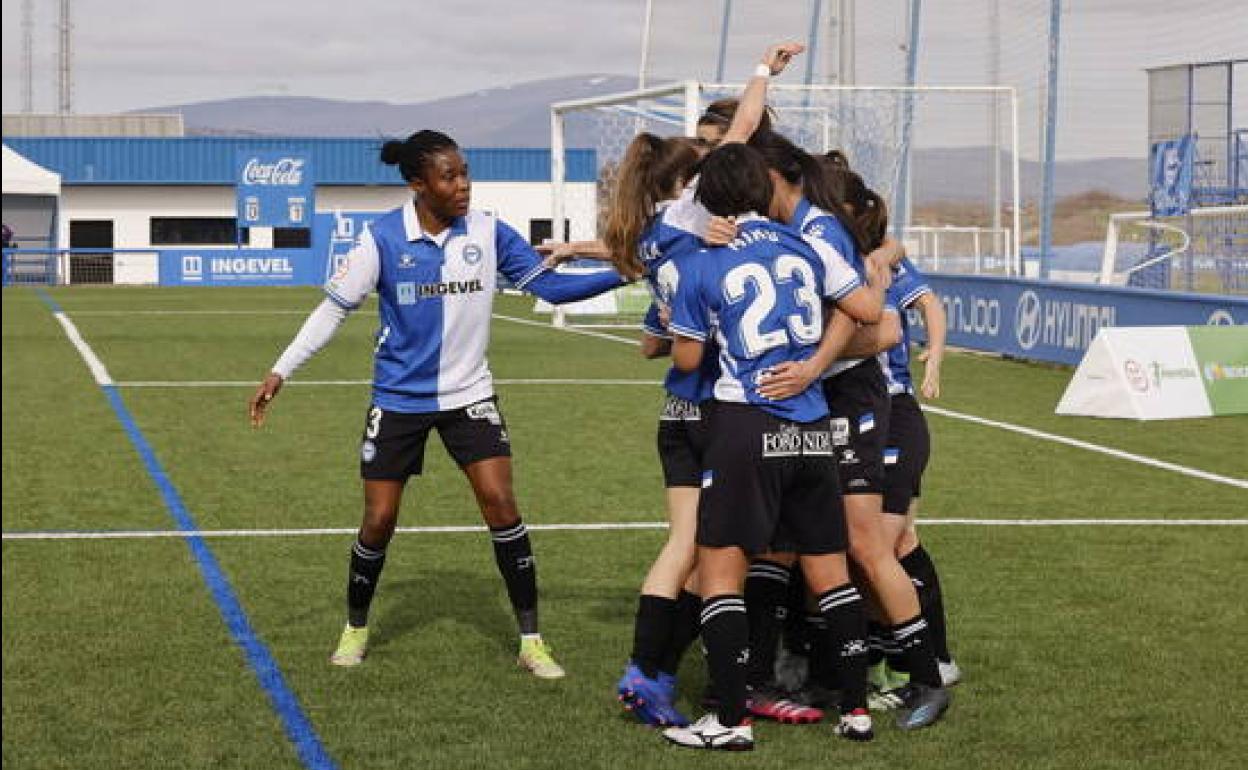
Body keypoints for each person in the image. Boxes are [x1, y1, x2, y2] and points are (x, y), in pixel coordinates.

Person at [248, 129, 627, 679]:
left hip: (469, 394)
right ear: (417, 184)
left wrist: (626, 271)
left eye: (465, 172)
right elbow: (332, 310)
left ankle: (532, 640)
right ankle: (355, 627)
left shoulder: (489, 231)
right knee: (378, 520)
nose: (463, 185)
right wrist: (280, 370)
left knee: (501, 504)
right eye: (449, 176)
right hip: (399, 400)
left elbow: (553, 290)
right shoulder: (382, 240)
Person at [660, 142, 874, 752]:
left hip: (744, 424)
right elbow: (863, 308)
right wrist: (812, 365)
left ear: (708, 201)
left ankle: (729, 719)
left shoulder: (706, 262)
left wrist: (675, 316)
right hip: (810, 428)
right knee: (831, 573)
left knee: (720, 571)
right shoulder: (806, 245)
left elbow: (688, 358)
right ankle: (857, 711)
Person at [748, 130, 950, 731]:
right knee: (813, 543)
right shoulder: (790, 232)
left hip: (854, 398)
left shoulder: (820, 233)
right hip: (819, 399)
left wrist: (808, 359)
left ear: (782, 177)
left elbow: (877, 322)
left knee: (870, 544)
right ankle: (825, 671)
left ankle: (926, 677)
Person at [827, 167, 960, 693]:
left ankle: (924, 659)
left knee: (882, 542)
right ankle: (872, 663)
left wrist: (935, 357)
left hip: (892, 412)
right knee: (877, 542)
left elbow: (925, 302)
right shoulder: (831, 252)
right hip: (846, 408)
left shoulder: (875, 255)